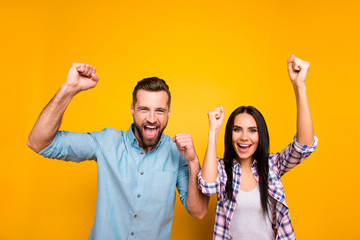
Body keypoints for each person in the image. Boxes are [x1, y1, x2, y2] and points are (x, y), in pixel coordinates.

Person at [27, 63, 209, 240]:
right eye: (144, 109)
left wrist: (193, 162)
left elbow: (199, 212)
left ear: (169, 112)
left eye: (159, 110)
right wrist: (69, 89)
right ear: (132, 109)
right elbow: (38, 142)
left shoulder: (178, 153)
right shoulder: (106, 142)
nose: (152, 118)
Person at [198, 55, 318, 240]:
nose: (244, 137)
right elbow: (207, 186)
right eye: (237, 130)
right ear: (230, 133)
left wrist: (299, 87)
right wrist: (213, 131)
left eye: (252, 130)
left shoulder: (272, 166)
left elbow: (304, 146)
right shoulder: (222, 169)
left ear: (260, 135)